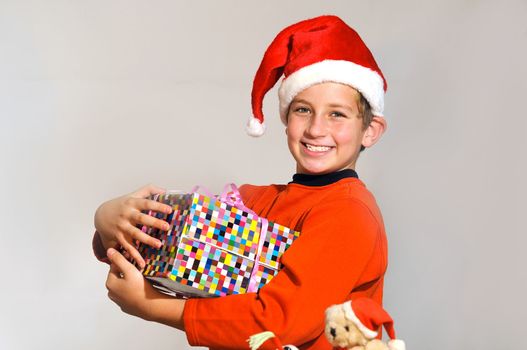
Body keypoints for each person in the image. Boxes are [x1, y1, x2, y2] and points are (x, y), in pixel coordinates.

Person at [93, 15, 390, 349]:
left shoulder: (349, 212)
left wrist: (151, 305)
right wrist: (106, 219)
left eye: (337, 114)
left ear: (370, 130)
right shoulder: (251, 201)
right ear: (286, 119)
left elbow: (278, 321)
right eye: (303, 110)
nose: (316, 129)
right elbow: (168, 250)